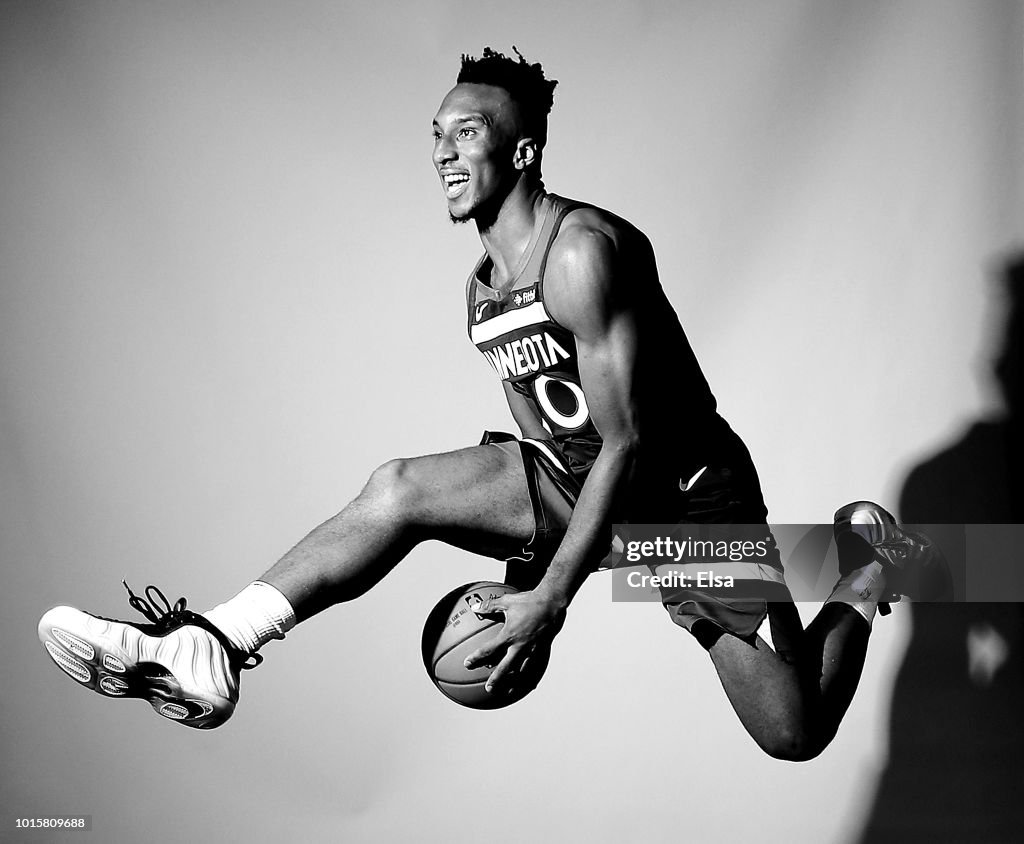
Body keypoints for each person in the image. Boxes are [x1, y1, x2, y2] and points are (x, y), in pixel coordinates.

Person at [37, 47, 934, 760]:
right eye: (436, 135)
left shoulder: (582, 254)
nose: (443, 153)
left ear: (522, 150)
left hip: (682, 501)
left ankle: (863, 566)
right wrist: (524, 568)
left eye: (466, 134)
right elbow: (554, 435)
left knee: (793, 732)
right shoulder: (481, 286)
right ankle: (213, 643)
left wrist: (550, 597)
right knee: (399, 489)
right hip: (569, 480)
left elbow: (624, 446)